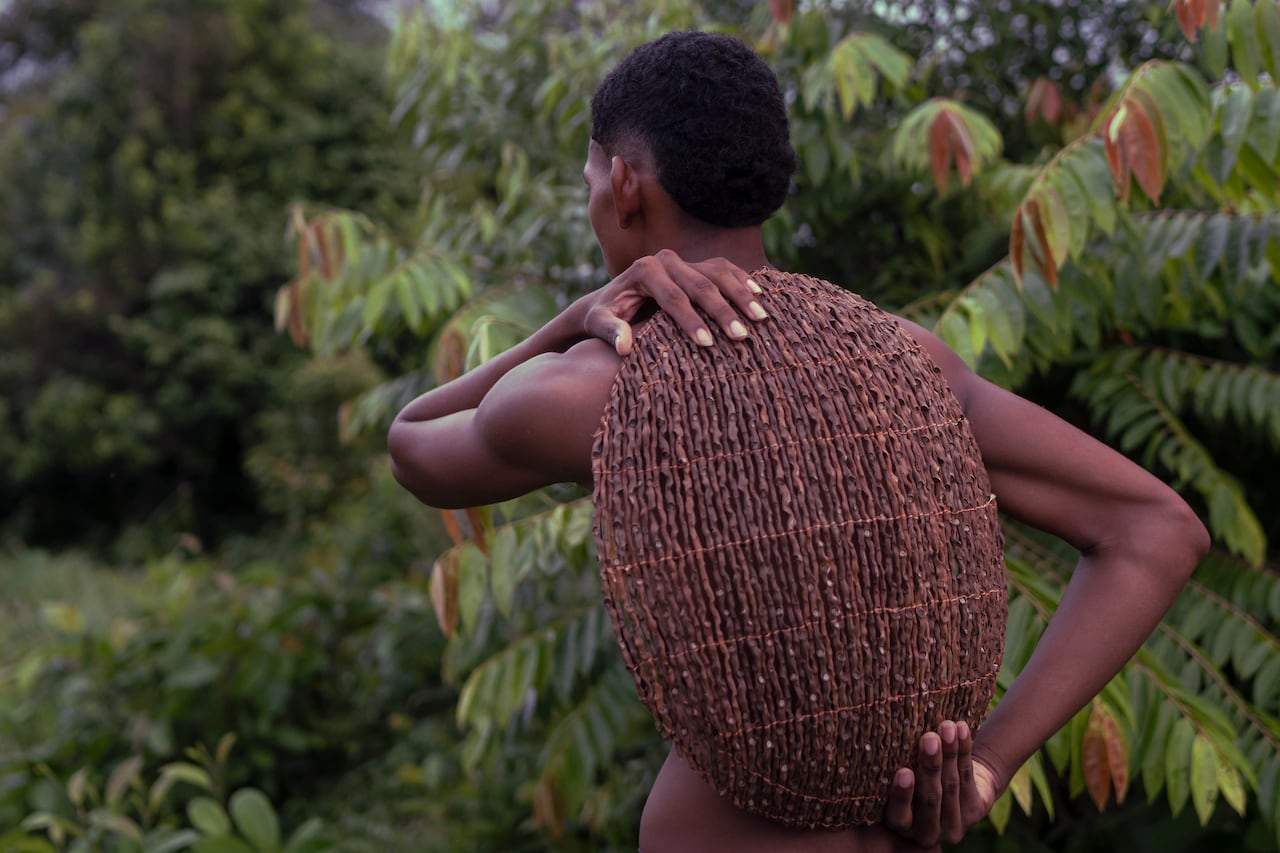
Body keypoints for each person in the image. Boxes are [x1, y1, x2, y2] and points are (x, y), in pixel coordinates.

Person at [389, 32, 1209, 853]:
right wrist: (987, 762)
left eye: (591, 181)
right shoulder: (901, 357)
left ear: (626, 186)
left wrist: (575, 317)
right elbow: (1157, 530)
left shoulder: (600, 387)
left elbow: (414, 443)